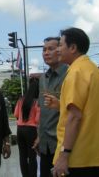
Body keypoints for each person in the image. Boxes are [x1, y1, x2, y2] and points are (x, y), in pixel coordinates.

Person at [45, 27, 99, 177]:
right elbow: (86, 111)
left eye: (60, 45)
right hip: (92, 155)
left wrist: (64, 155)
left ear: (73, 48)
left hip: (76, 158)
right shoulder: (93, 70)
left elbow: (75, 117)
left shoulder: (76, 72)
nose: (57, 49)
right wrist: (61, 105)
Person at [33, 37, 67, 177]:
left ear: (60, 50)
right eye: (44, 50)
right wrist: (39, 136)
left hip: (62, 144)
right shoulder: (43, 79)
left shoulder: (70, 75)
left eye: (50, 49)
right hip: (45, 144)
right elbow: (43, 110)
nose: (46, 53)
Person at [14, 78, 40, 177]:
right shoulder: (37, 101)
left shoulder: (21, 99)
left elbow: (16, 114)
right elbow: (37, 120)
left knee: (22, 156)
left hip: (20, 129)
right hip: (31, 130)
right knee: (32, 156)